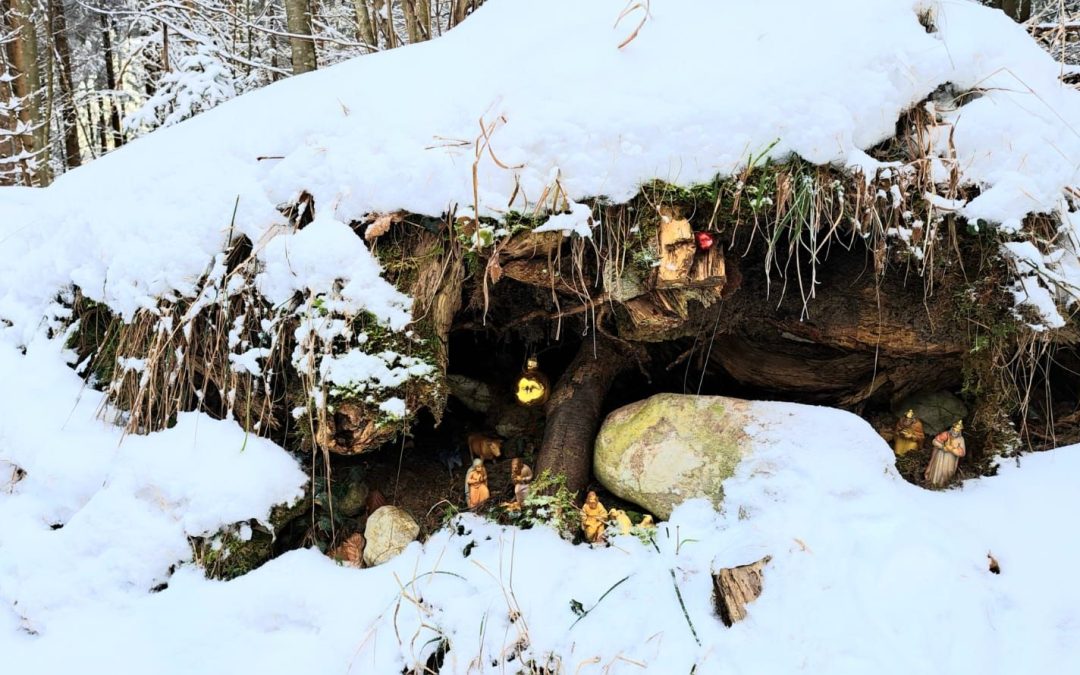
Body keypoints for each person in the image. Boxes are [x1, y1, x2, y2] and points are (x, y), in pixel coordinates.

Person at [925, 420, 966, 488]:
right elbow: (935, 441)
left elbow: (962, 453)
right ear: (952, 429)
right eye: (954, 430)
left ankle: (944, 485)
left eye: (957, 431)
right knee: (938, 469)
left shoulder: (961, 439)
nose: (955, 432)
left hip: (951, 458)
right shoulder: (946, 434)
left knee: (948, 471)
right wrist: (943, 447)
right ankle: (933, 484)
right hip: (941, 455)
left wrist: (953, 449)